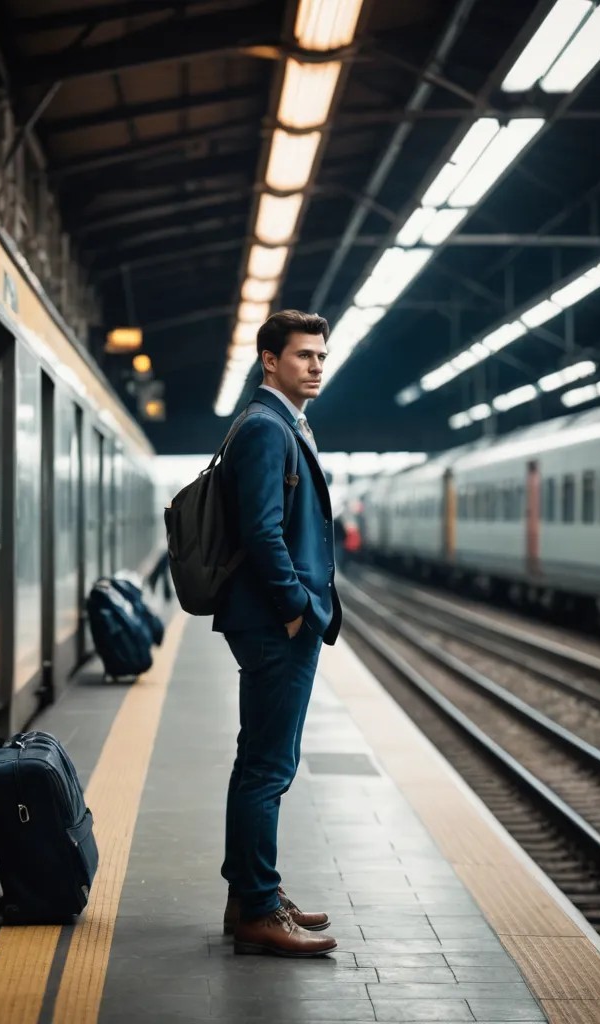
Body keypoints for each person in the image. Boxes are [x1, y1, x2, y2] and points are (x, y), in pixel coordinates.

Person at [212, 309, 343, 957]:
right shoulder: (267, 428)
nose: (316, 366)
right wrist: (296, 608)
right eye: (303, 355)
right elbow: (263, 533)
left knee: (260, 763)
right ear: (270, 361)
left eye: (321, 356)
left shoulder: (282, 423)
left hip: (272, 622)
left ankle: (250, 895)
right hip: (274, 625)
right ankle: (260, 910)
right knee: (267, 768)